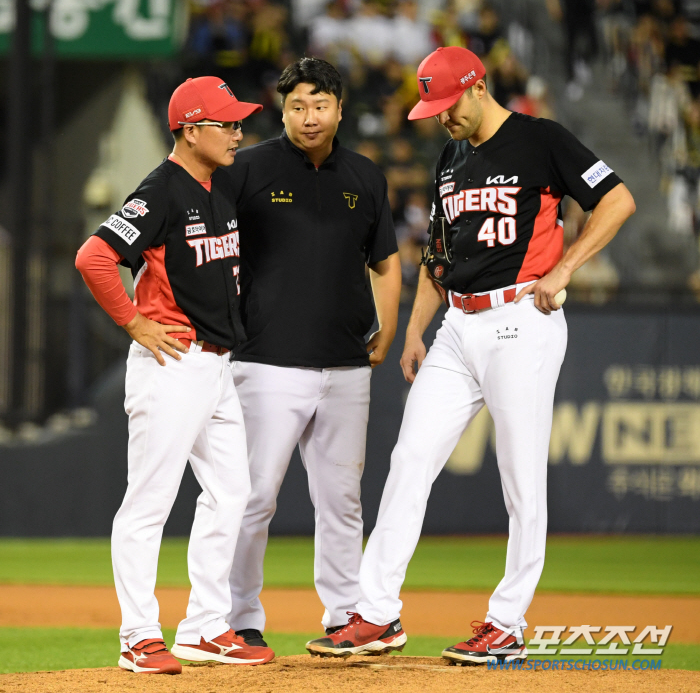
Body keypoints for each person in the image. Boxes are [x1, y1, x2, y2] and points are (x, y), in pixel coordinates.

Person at [306, 46, 636, 663]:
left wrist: (565, 266)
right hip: (458, 324)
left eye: (447, 103)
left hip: (522, 319)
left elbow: (616, 199)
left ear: (478, 87)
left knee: (520, 479)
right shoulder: (451, 156)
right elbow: (438, 253)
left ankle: (507, 622)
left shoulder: (542, 140)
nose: (441, 118)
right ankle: (377, 614)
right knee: (409, 459)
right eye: (432, 107)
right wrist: (414, 330)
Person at [75, 76, 274, 674]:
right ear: (190, 128)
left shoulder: (213, 187)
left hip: (215, 366)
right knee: (149, 503)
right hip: (171, 363)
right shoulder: (163, 189)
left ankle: (204, 625)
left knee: (233, 492)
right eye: (226, 122)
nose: (238, 132)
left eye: (239, 122)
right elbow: (95, 257)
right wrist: (135, 324)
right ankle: (138, 634)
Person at [222, 57, 401, 646]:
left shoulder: (366, 176)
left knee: (343, 502)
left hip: (346, 364)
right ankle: (239, 618)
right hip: (265, 360)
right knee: (253, 499)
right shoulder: (246, 168)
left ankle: (346, 614)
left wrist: (388, 324)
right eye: (297, 105)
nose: (309, 116)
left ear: (341, 109)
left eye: (320, 104)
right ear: (282, 109)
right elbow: (204, 240)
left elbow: (386, 263)